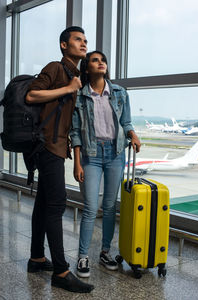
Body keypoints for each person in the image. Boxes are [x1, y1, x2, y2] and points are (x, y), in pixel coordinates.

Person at [25, 26, 94, 293]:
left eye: (85, 40)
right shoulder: (56, 68)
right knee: (56, 206)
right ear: (64, 45)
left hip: (54, 146)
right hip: (47, 146)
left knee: (43, 204)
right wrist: (67, 88)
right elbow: (32, 94)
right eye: (78, 39)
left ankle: (36, 258)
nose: (83, 43)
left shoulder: (73, 75)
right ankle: (62, 272)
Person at [70, 51, 141, 278]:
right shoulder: (80, 96)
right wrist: (77, 163)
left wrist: (133, 134)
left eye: (103, 60)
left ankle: (105, 252)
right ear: (87, 67)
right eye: (95, 60)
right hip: (91, 154)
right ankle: (82, 256)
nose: (101, 63)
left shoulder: (119, 92)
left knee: (110, 207)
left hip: (115, 153)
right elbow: (76, 133)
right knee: (91, 206)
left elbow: (125, 121)